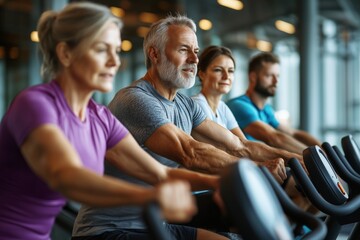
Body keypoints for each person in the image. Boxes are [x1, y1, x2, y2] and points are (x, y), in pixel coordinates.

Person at [72, 14, 309, 240]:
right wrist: (256, 169)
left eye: (195, 52)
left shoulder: (185, 104)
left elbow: (239, 146)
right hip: (107, 231)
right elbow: (191, 152)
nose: (194, 60)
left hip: (158, 223)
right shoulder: (135, 100)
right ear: (154, 54)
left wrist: (299, 160)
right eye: (183, 50)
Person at [0, 3, 224, 239]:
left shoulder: (100, 118)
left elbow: (161, 174)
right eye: (101, 50)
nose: (114, 62)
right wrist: (151, 197)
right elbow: (66, 176)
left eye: (116, 51)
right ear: (66, 54)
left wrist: (221, 183)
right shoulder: (35, 104)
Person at [227, 52, 322, 155]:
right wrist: (315, 155)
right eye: (269, 76)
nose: (276, 81)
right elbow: (274, 138)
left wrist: (323, 149)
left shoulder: (267, 109)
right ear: (253, 77)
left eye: (277, 76)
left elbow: (293, 133)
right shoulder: (239, 106)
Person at [192, 45, 244, 138]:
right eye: (218, 70)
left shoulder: (222, 107)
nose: (226, 76)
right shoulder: (197, 105)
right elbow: (227, 146)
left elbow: (244, 143)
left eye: (231, 71)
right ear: (202, 74)